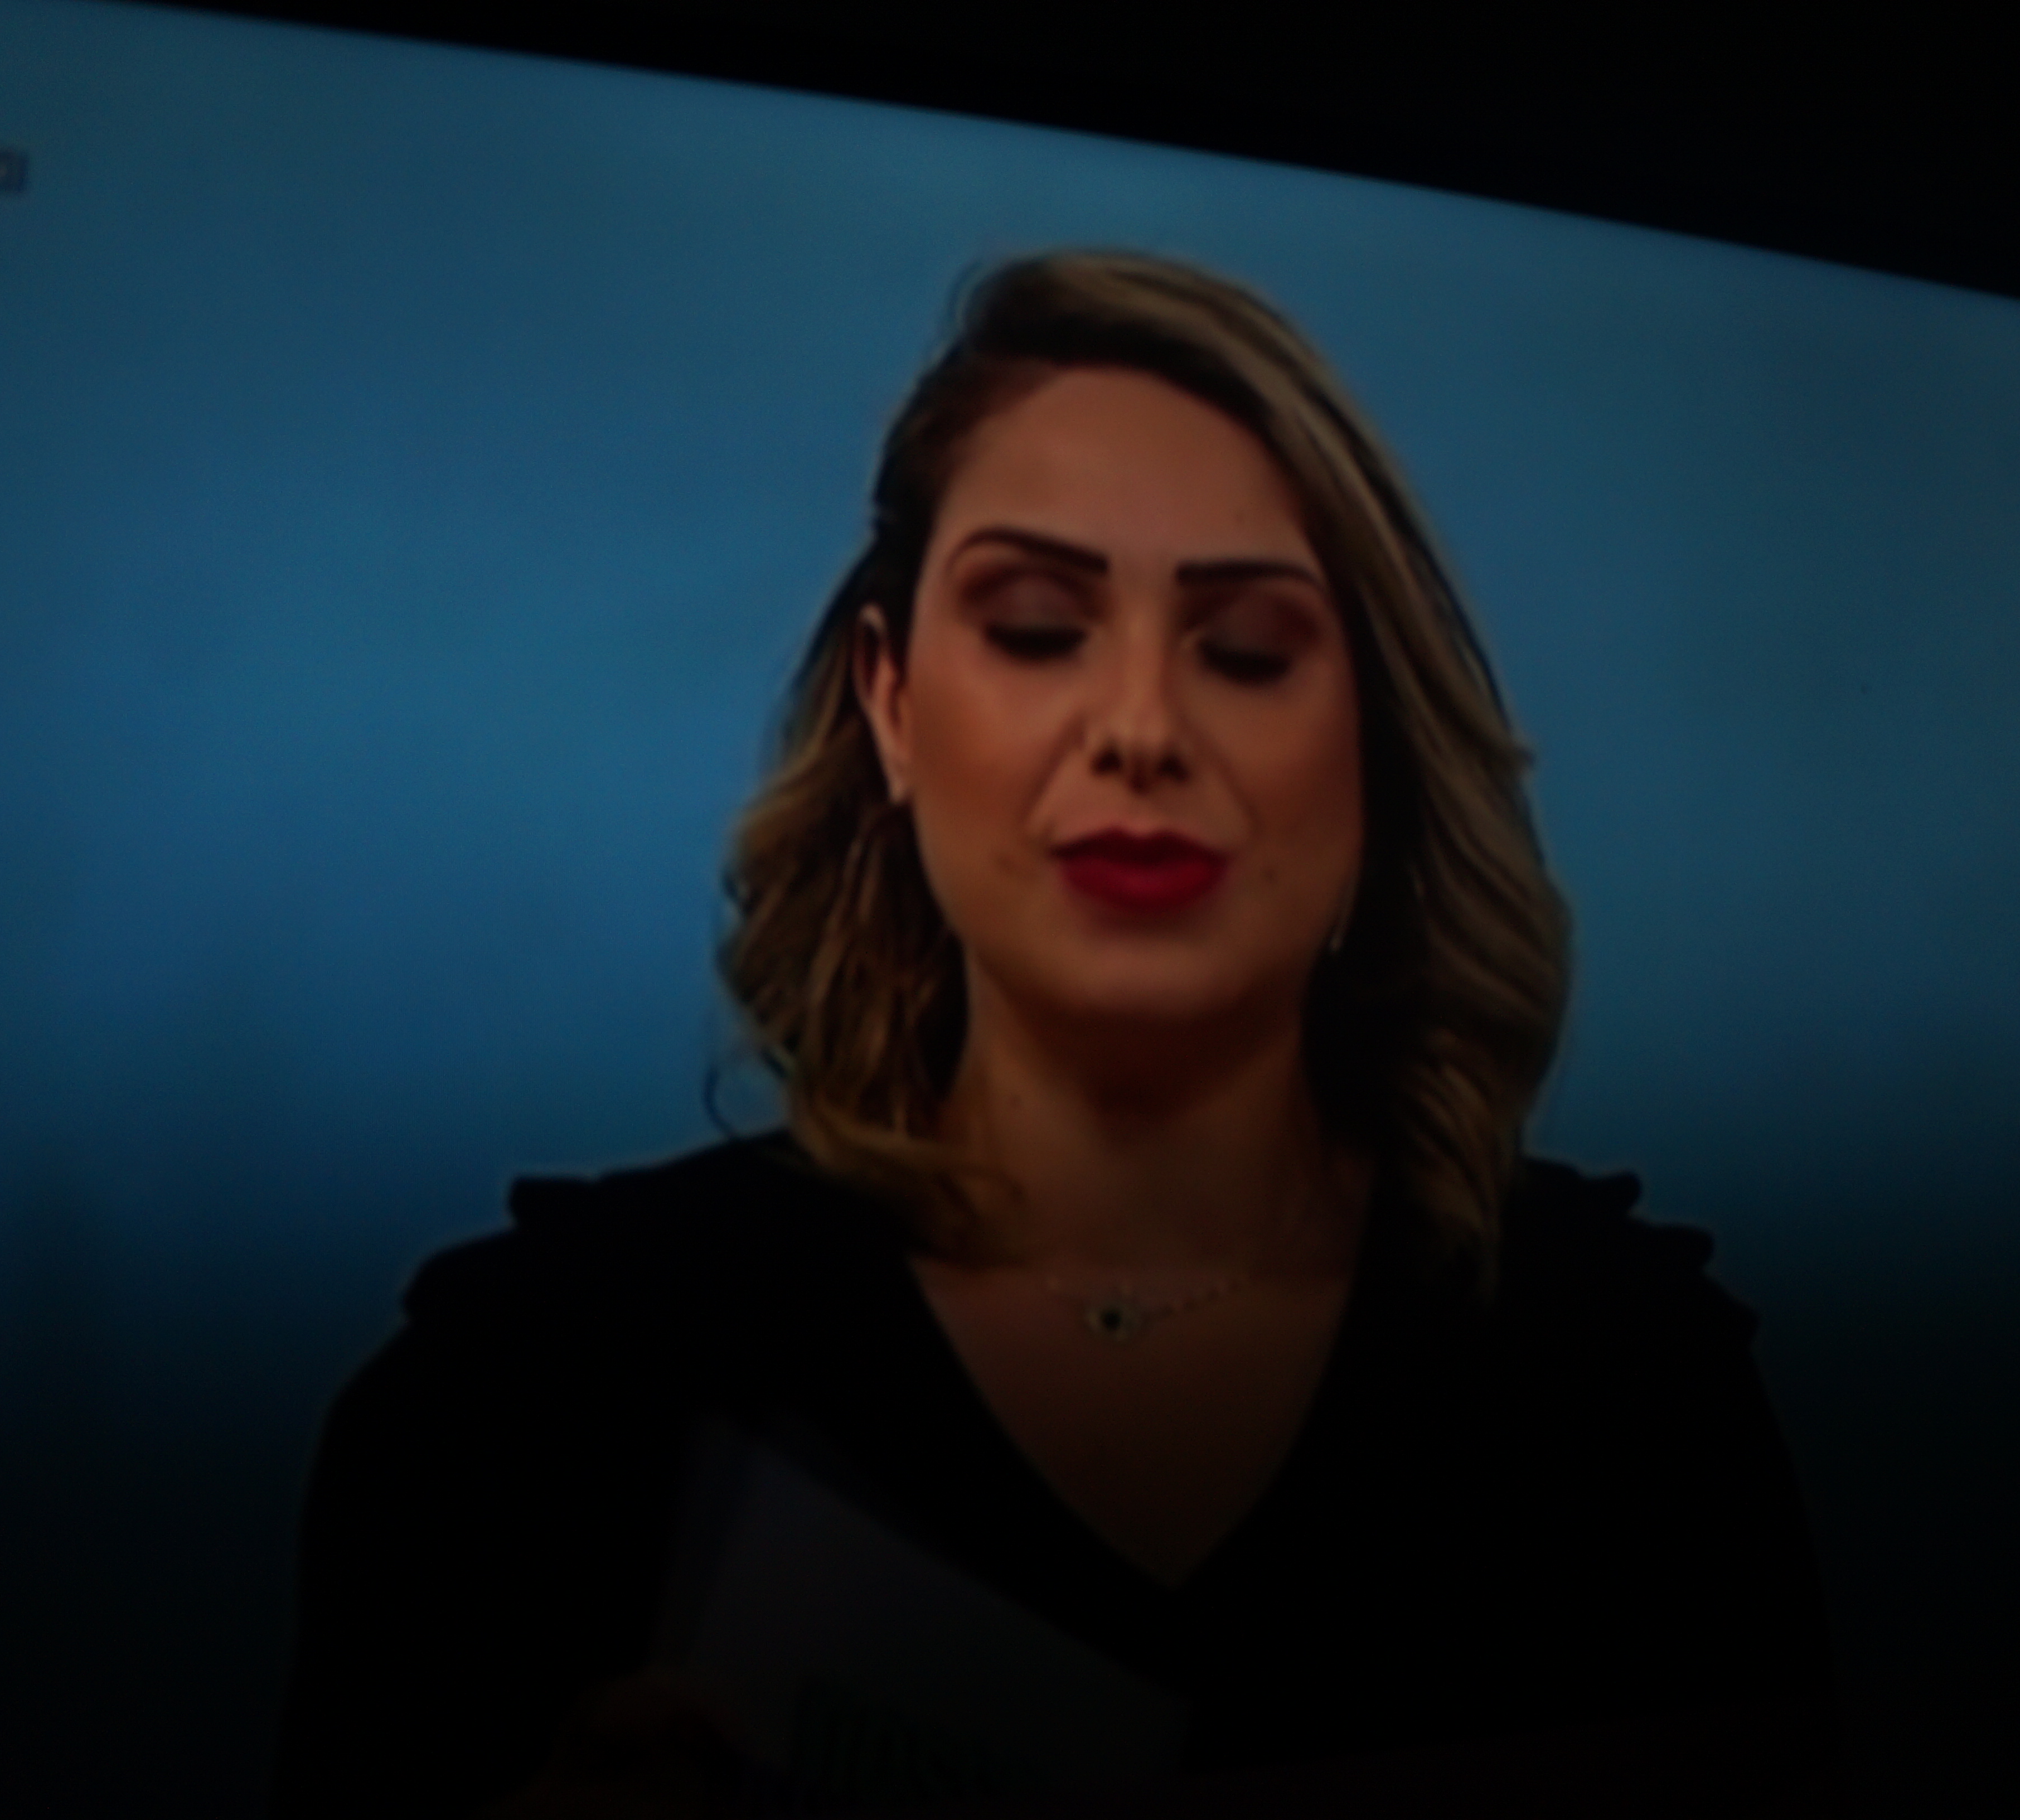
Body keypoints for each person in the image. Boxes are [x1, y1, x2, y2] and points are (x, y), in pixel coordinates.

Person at [270, 251, 1835, 1818]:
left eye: (1246, 650)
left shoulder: (1627, 1387)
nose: (1141, 730)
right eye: (1034, 628)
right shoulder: (530, 1396)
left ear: (1375, 745)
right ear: (890, 706)